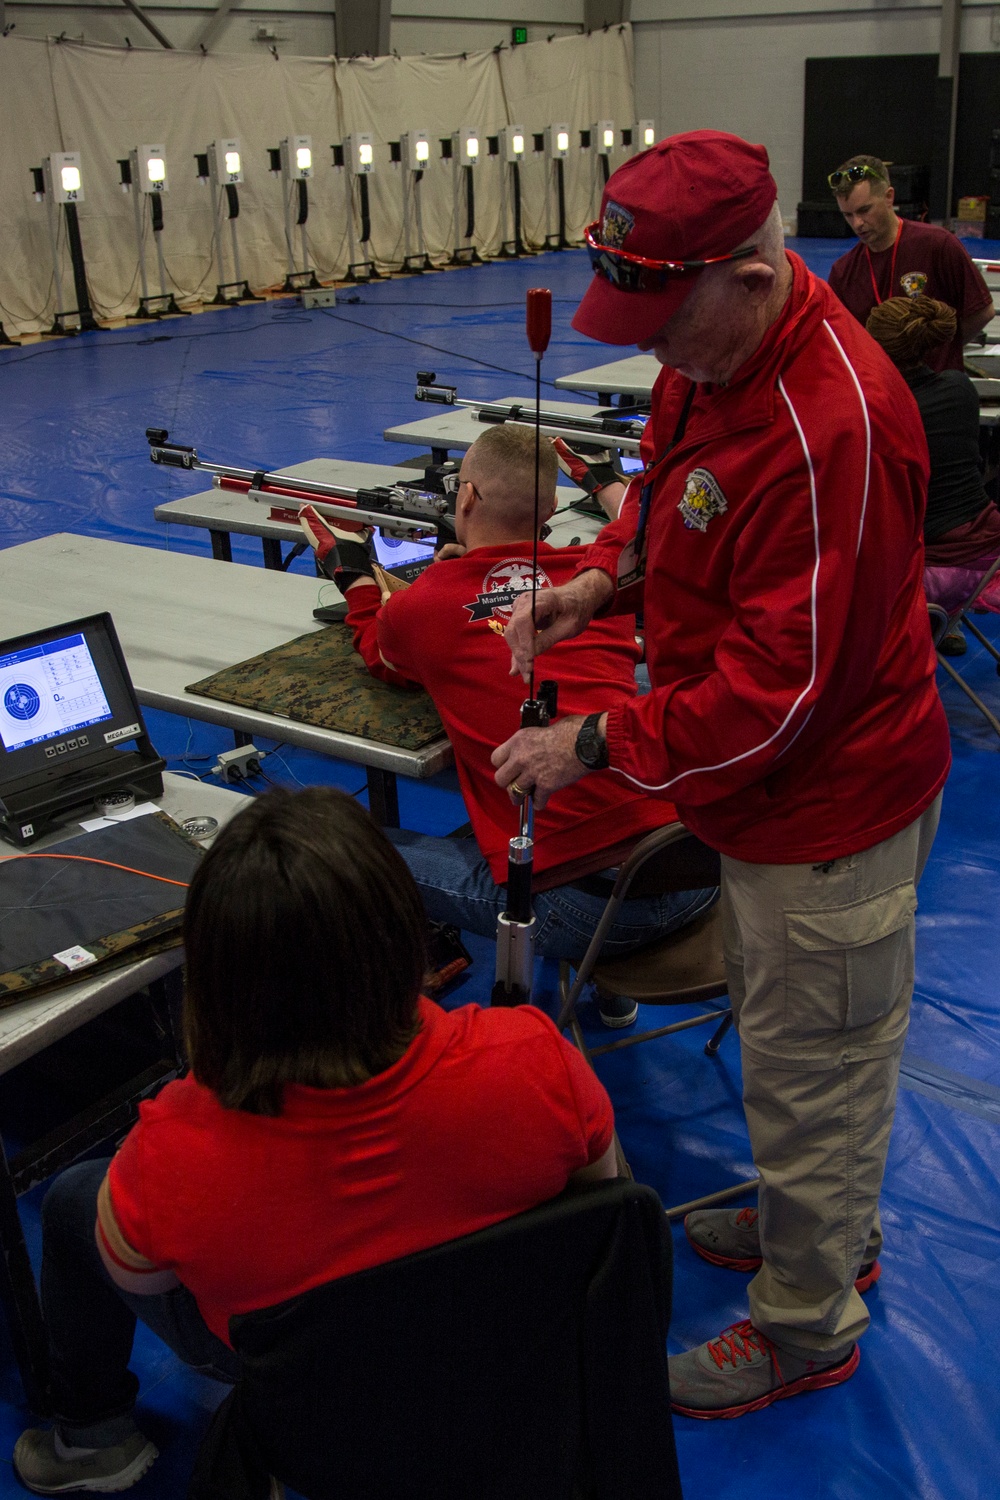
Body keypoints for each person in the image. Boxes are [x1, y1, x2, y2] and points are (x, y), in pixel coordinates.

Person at [493, 129, 952, 1418]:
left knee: (817, 1072)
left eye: (662, 316)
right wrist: (603, 579)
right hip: (762, 806)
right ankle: (820, 1226)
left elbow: (776, 699)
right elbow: (665, 491)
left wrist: (591, 743)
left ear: (749, 277)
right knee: (797, 1048)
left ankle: (807, 1322)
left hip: (825, 809)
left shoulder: (832, 430)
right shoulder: (715, 359)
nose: (649, 348)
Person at [13, 788, 616, 1494]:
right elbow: (602, 1216)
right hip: (501, 1367)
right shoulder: (535, 1059)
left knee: (75, 1199)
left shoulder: (172, 1148)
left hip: (306, 1395)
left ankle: (93, 1442)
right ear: (400, 934)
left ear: (215, 977)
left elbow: (144, 1279)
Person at [299, 423, 716, 1030]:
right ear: (550, 510)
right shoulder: (588, 582)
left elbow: (380, 651)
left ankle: (380, 1017)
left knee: (333, 849)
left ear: (465, 499)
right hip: (698, 868)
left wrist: (353, 571)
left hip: (587, 912)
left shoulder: (423, 606)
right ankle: (606, 989)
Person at [866, 294, 1000, 651]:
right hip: (988, 557)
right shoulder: (959, 388)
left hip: (932, 572)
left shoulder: (880, 410)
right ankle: (944, 626)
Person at [827, 154, 992, 370]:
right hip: (882, 393)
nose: (857, 223)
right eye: (848, 215)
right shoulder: (843, 272)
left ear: (889, 197)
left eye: (864, 210)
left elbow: (982, 311)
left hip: (935, 386)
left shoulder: (937, 245)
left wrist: (943, 351)